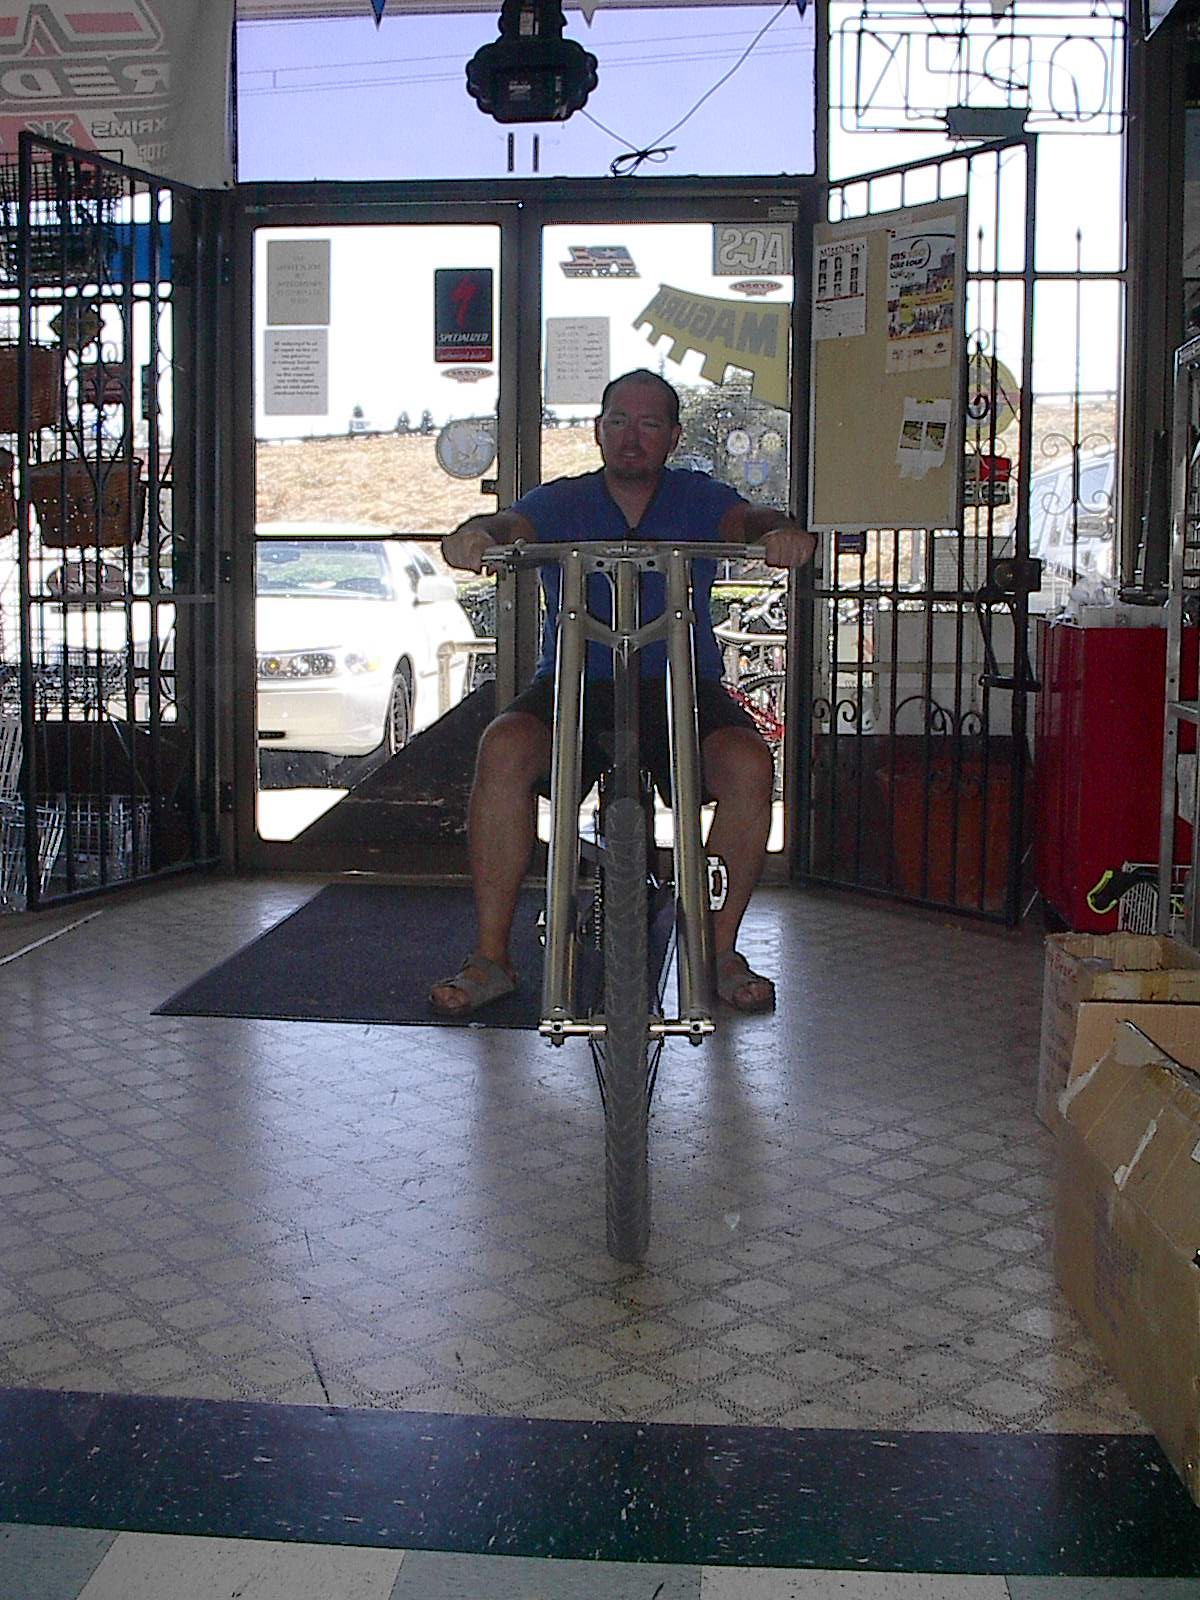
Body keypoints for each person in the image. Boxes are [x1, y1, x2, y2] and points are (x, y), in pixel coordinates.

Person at [431, 368, 816, 1017]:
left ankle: (718, 952)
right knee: (503, 748)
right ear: (597, 430)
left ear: (673, 436)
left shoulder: (696, 496)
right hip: (577, 685)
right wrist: (478, 535)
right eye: (617, 422)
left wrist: (780, 532)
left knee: (750, 765)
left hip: (681, 687)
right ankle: (491, 957)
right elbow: (509, 523)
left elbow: (747, 519)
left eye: (648, 424)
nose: (631, 437)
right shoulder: (565, 501)